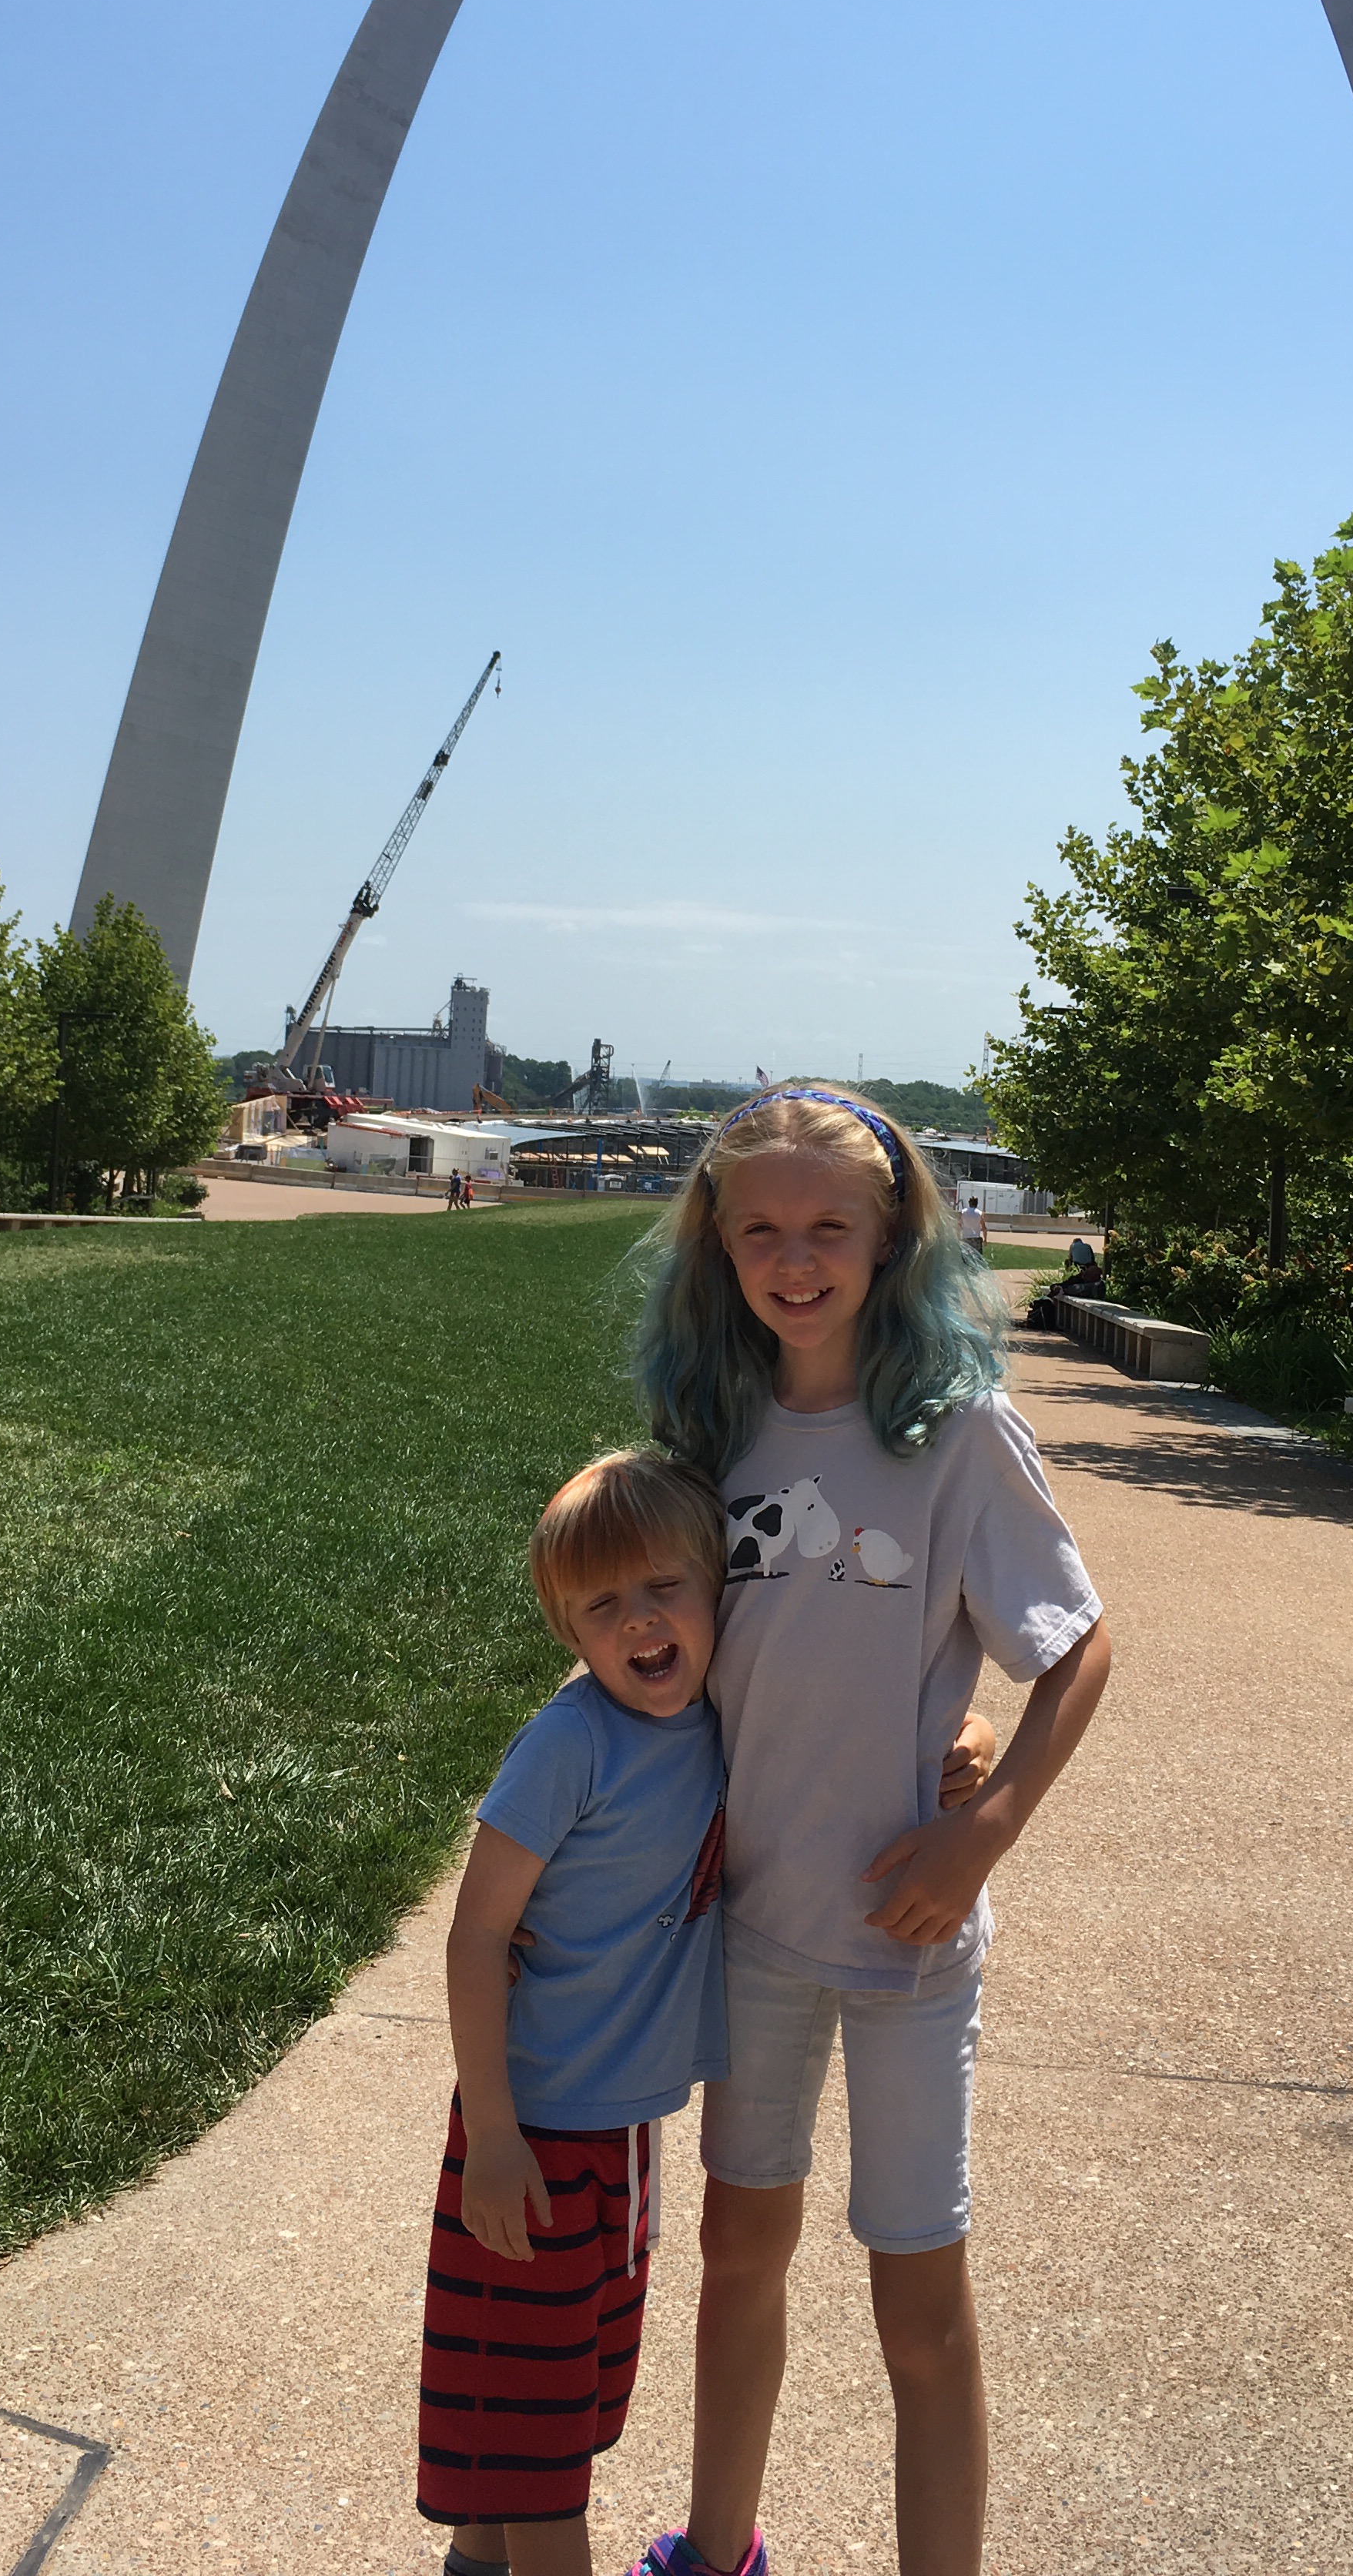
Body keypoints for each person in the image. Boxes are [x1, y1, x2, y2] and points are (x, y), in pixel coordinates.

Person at [623, 1087, 1111, 2576]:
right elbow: (664, 1660)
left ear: (893, 1234)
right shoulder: (707, 1431)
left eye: (829, 1227)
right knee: (736, 2256)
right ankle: (717, 2550)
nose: (796, 1260)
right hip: (753, 1923)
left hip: (910, 1934)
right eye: (760, 1230)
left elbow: (1076, 1647)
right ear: (716, 1244)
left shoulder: (959, 1434)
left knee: (920, 2302)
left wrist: (984, 1828)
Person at [418, 1451, 729, 2576]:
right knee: (542, 2462)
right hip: (535, 2136)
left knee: (542, 2416)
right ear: (569, 1633)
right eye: (603, 1606)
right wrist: (492, 2137)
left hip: (624, 2135)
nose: (639, 1620)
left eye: (664, 1587)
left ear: (717, 1590)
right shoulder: (572, 1743)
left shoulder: (721, 1717)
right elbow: (476, 1936)